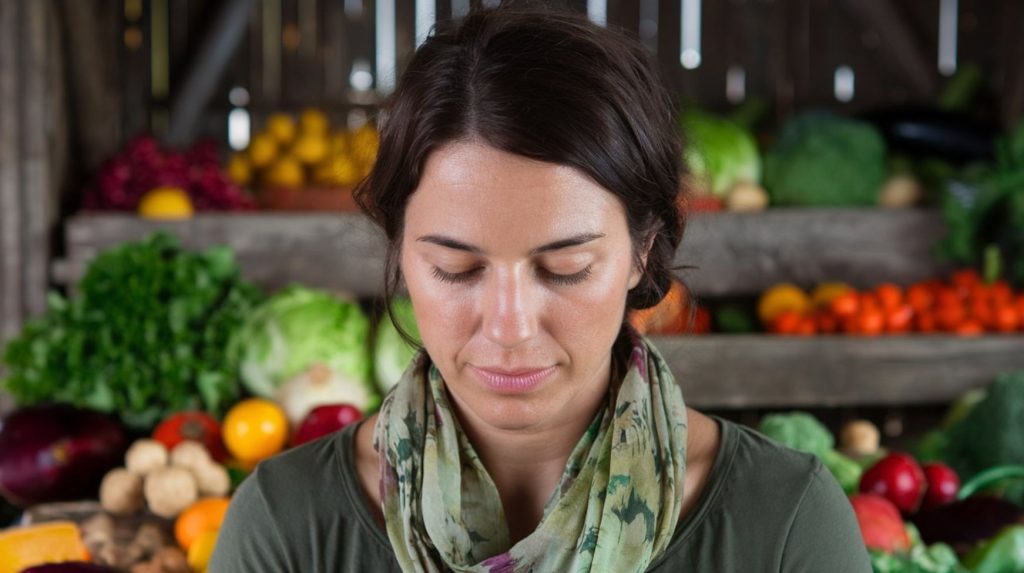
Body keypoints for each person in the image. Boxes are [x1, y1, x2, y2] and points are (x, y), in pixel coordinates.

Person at [211, 4, 871, 572]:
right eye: (457, 269)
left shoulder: (786, 524)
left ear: (643, 250)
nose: (509, 325)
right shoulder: (287, 527)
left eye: (564, 268)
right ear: (401, 251)